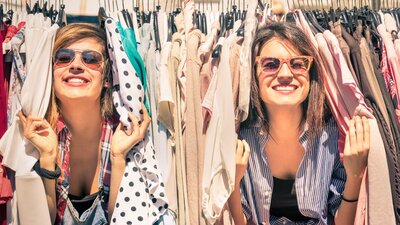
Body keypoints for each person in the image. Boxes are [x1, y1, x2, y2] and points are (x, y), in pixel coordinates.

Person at [228, 22, 369, 225]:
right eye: (270, 64)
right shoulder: (242, 139)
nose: (285, 74)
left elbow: (341, 221)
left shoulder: (333, 136)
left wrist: (355, 175)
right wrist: (232, 183)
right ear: (254, 74)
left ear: (309, 73)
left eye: (297, 63)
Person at [17, 23, 150, 224]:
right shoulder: (36, 134)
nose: (76, 65)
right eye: (64, 58)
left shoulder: (123, 132)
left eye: (90, 59)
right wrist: (47, 157)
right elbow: (41, 220)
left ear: (106, 78)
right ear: (51, 73)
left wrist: (118, 158)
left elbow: (121, 218)